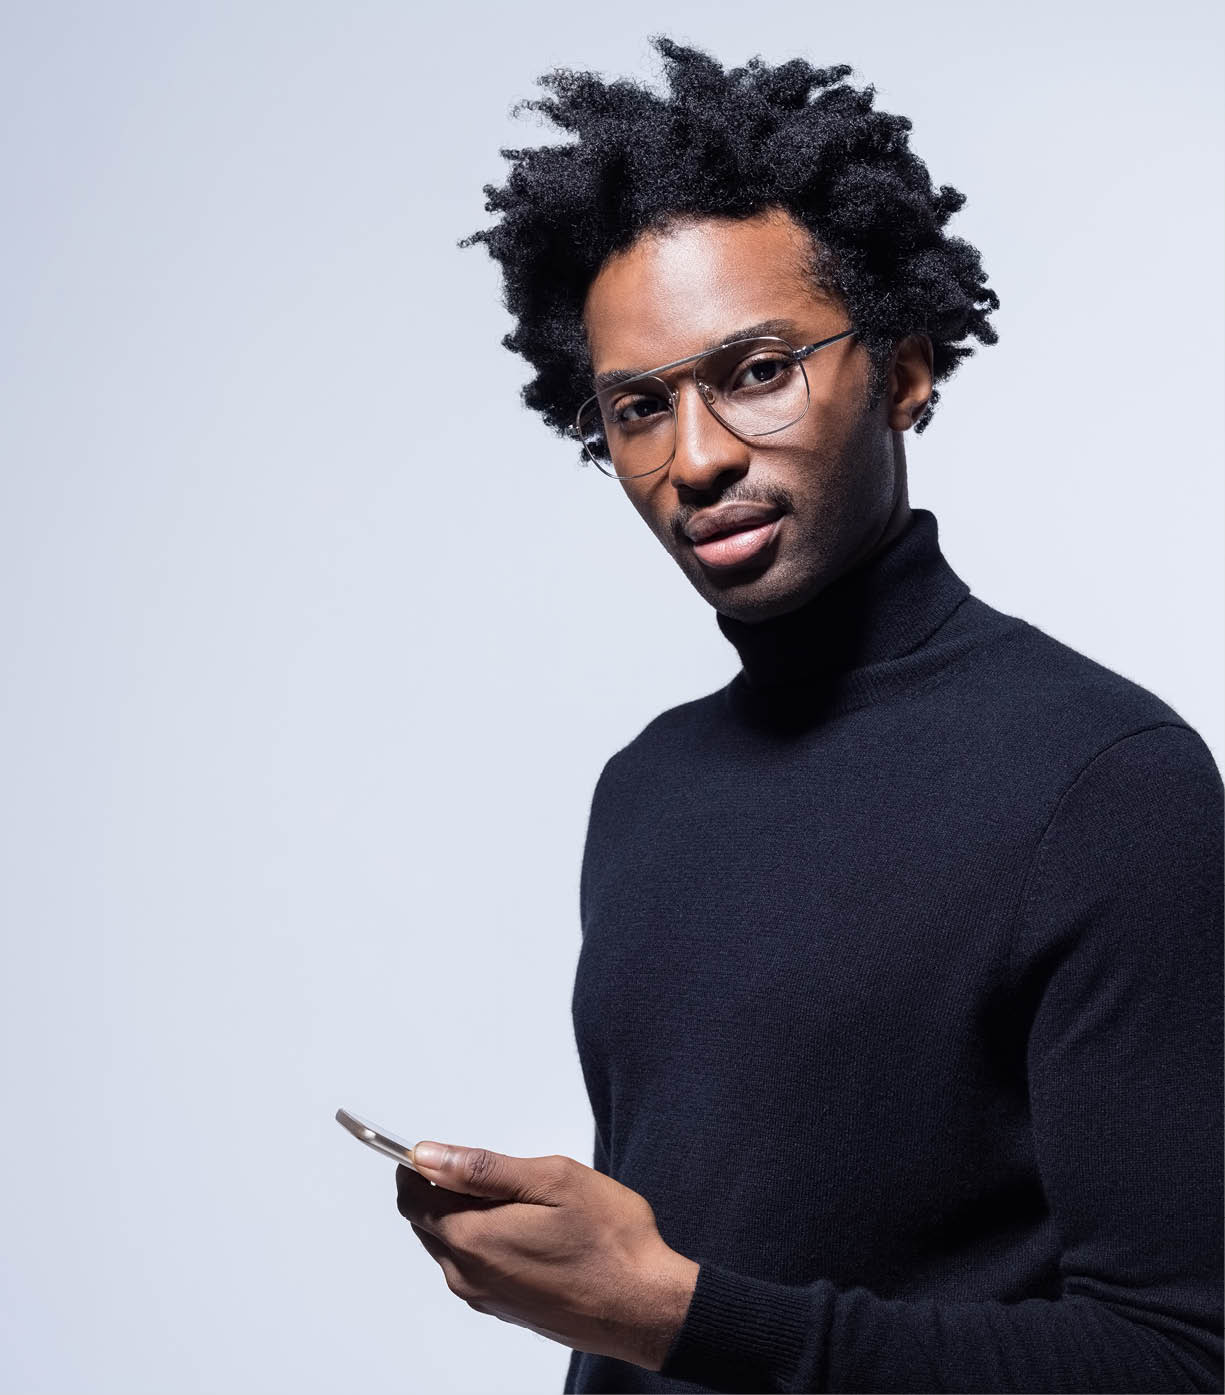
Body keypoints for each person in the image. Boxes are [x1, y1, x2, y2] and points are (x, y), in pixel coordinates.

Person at [394, 37, 1223, 1393]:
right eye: (638, 407)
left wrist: (671, 1315)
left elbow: (1177, 1363)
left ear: (901, 369)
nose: (696, 455)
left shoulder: (1106, 784)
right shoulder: (647, 788)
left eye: (758, 369)